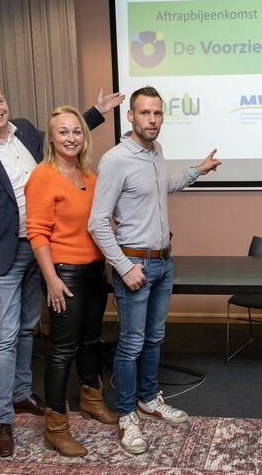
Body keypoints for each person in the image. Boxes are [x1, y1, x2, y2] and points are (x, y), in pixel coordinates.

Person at [0, 79, 123, 457]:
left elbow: (65, 136)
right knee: (6, 335)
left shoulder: (25, 131)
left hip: (42, 249)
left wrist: (97, 113)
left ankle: (22, 393)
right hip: (1, 254)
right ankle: (2, 418)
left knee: (29, 327)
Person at [88, 86, 221, 455]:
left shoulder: (155, 151)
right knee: (131, 343)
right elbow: (97, 223)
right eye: (145, 113)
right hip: (135, 264)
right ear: (130, 116)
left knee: (154, 338)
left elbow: (162, 187)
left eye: (158, 113)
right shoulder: (115, 160)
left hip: (163, 262)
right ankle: (126, 414)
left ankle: (148, 400)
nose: (152, 120)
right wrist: (123, 267)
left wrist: (197, 171)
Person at [24, 106, 119, 457]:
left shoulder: (88, 175)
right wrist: (51, 279)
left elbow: (97, 223)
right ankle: (56, 426)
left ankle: (92, 399)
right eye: (63, 132)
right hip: (64, 274)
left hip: (94, 271)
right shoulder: (42, 176)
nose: (71, 138)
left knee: (91, 341)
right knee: (63, 351)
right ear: (51, 138)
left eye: (77, 131)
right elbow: (37, 233)